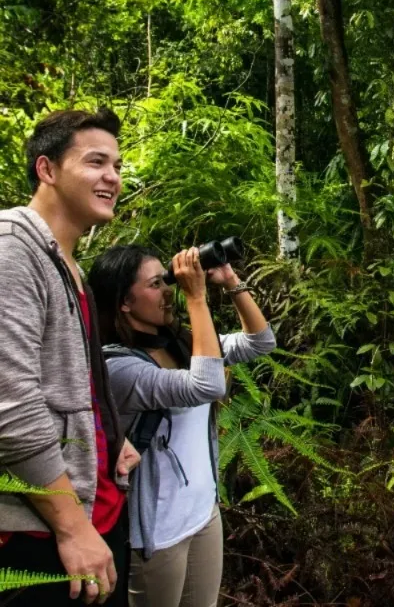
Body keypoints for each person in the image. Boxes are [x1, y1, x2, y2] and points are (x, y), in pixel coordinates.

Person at [0, 108, 140, 607]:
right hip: (40, 534)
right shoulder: (12, 249)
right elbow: (10, 408)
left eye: (118, 166)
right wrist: (72, 527)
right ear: (47, 169)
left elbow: (73, 378)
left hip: (95, 512)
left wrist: (109, 436)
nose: (113, 177)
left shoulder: (67, 263)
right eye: (97, 162)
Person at [87, 243, 276, 607]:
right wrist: (197, 299)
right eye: (156, 284)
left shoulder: (184, 344)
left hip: (204, 513)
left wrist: (229, 279)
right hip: (157, 531)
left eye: (167, 280)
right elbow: (206, 385)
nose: (169, 291)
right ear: (124, 302)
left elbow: (261, 342)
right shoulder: (120, 368)